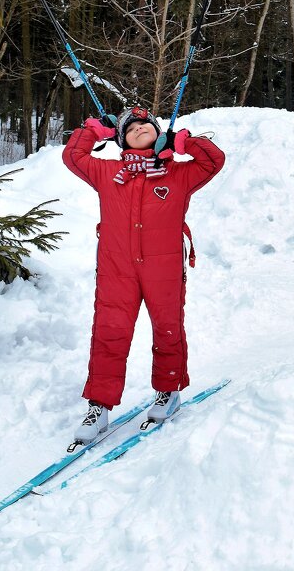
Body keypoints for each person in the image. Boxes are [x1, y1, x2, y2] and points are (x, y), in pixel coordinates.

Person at [62, 106, 225, 444]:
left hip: (162, 267)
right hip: (116, 268)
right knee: (109, 333)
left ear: (157, 131)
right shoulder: (107, 172)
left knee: (167, 328)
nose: (138, 128)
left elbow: (213, 161)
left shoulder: (177, 175)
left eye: (145, 124)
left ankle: (169, 391)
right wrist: (93, 131)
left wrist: (185, 143)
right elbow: (73, 156)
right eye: (130, 127)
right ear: (121, 139)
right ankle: (99, 407)